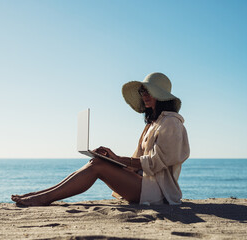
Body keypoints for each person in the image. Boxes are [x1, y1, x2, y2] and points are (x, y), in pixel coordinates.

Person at [11, 72, 190, 206]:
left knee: (97, 166)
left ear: (161, 95)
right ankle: (41, 193)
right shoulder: (152, 124)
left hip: (158, 192)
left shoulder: (171, 123)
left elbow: (154, 163)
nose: (144, 94)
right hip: (144, 184)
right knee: (97, 161)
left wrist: (117, 160)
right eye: (142, 90)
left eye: (148, 90)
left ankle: (44, 198)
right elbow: (136, 164)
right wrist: (112, 159)